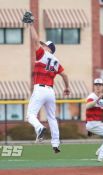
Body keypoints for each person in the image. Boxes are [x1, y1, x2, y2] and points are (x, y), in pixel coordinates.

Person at [26, 17, 70, 154]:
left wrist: (30, 24)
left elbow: (34, 39)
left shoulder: (42, 54)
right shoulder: (56, 61)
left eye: (44, 45)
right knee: (52, 117)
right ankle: (55, 144)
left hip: (40, 89)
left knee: (30, 115)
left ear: (48, 48)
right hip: (50, 92)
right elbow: (65, 75)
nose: (42, 45)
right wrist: (67, 87)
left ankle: (39, 128)